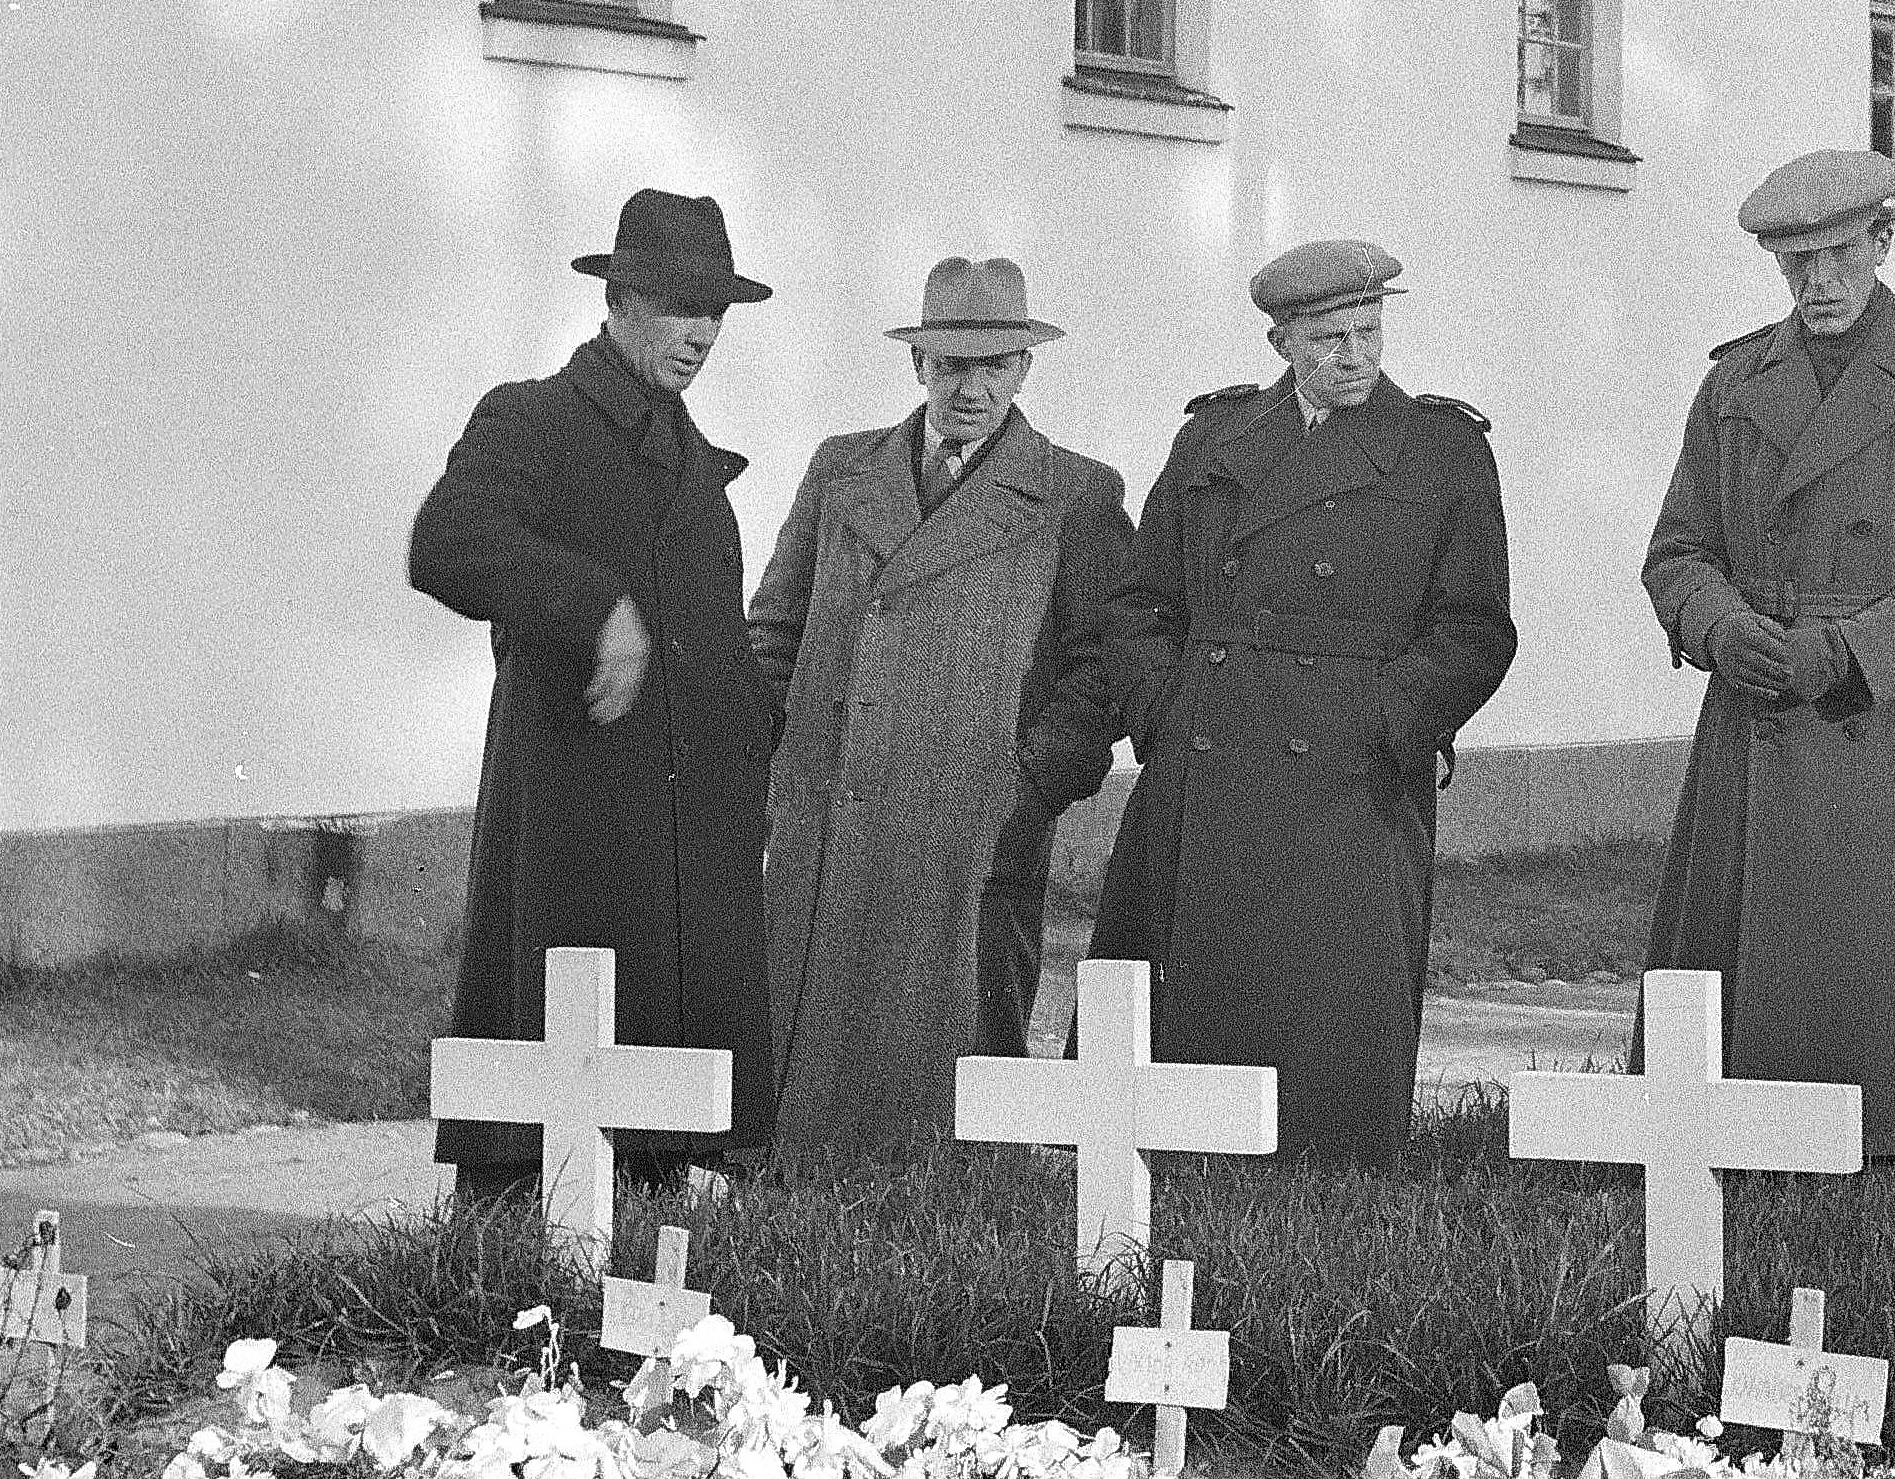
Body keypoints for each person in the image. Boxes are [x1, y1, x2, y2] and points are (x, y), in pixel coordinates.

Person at [1641, 149, 1895, 1154]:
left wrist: (1857, 652)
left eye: (1839, 257)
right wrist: (1721, 627)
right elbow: (1679, 549)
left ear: (1884, 242)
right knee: (1749, 991)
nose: (1819, 284)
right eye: (1796, 263)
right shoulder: (1734, 384)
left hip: (1893, 709)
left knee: (1890, 956)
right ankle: (1737, 1129)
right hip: (1759, 693)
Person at [1091, 238, 1517, 1167]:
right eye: (1328, 339)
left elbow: (1475, 627)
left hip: (1353, 774)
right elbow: (1138, 601)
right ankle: (1184, 1158)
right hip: (1209, 753)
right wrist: (1164, 708)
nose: (1355, 356)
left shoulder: (1441, 450)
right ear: (1281, 341)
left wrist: (1392, 721)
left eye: (1368, 331)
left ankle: (1329, 1172)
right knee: (1194, 1003)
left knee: (1334, 1007)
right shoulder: (1213, 438)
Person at [408, 186, 779, 1198]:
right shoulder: (531, 420)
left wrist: (755, 753)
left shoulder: (699, 471)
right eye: (677, 306)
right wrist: (594, 606)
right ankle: (501, 1312)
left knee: (655, 1154)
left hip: (684, 853)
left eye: (717, 312)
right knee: (538, 1130)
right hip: (574, 837)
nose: (701, 333)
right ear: (616, 301)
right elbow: (445, 541)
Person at [744, 254, 1134, 1171]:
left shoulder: (1076, 493)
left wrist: (1028, 785)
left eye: (994, 364)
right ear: (917, 366)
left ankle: (949, 1224)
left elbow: (1106, 667)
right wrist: (770, 772)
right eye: (951, 365)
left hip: (971, 818)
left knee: (952, 1072)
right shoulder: (842, 470)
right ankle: (791, 1202)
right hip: (827, 814)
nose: (971, 387)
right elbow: (774, 632)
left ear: (1025, 370)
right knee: (806, 1056)